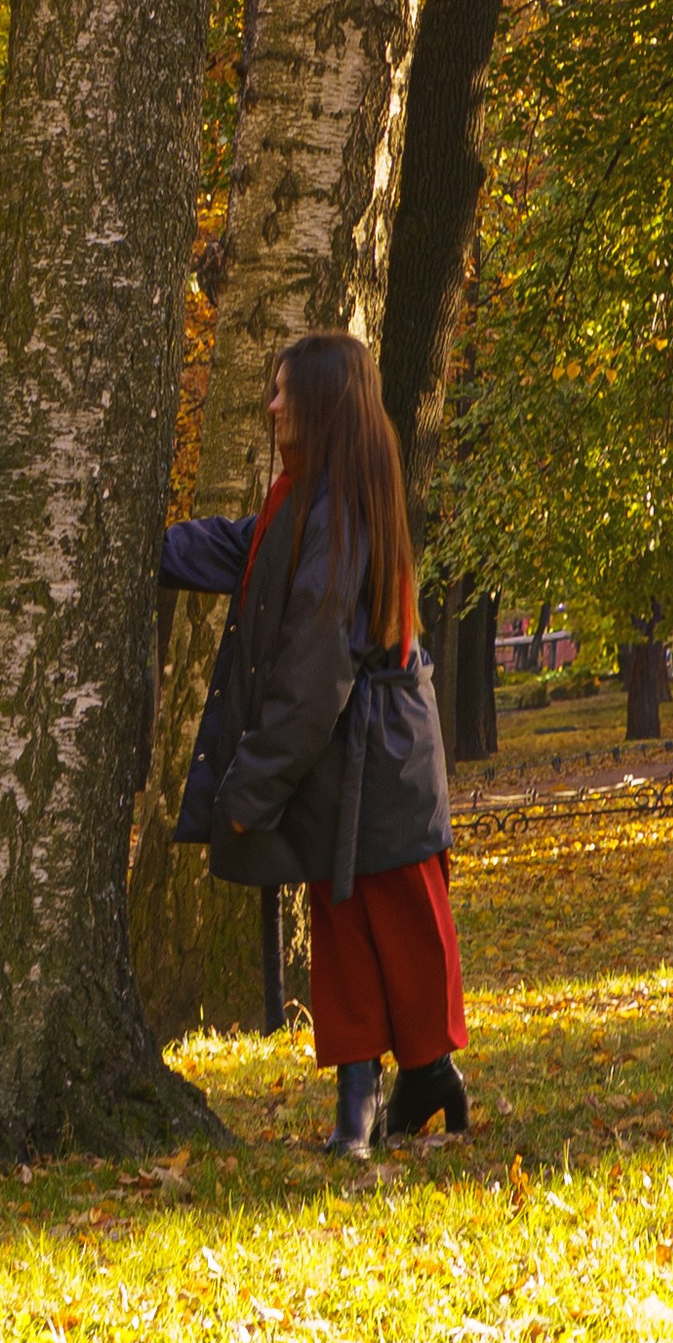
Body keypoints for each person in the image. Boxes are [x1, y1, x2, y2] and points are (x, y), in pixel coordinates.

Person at [161, 329, 467, 1159]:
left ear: (321, 405)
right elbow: (244, 549)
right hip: (361, 762)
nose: (269, 407)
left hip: (380, 762)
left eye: (282, 393)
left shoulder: (342, 508)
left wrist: (245, 795)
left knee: (391, 924)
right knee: (344, 928)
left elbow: (310, 680)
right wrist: (147, 550)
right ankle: (379, 1097)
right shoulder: (310, 497)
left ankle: (409, 1087)